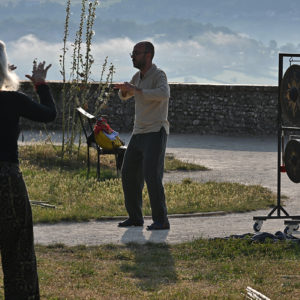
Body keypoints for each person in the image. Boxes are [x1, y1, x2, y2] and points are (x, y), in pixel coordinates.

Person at [0, 40, 56, 299]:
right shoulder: (12, 100)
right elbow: (48, 115)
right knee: (18, 250)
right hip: (7, 181)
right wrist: (41, 84)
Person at [114, 41, 170, 230]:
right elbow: (126, 96)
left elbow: (164, 93)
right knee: (128, 173)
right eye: (133, 53)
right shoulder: (138, 76)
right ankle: (135, 217)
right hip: (138, 132)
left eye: (136, 53)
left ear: (148, 55)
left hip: (155, 131)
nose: (133, 56)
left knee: (152, 176)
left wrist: (137, 90)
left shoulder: (159, 75)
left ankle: (161, 220)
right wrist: (124, 89)